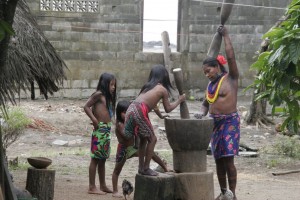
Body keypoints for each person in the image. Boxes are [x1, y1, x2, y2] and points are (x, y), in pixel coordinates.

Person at [195, 26, 240, 200]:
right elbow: (206, 104)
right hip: (214, 124)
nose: (207, 75)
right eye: (204, 72)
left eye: (209, 71)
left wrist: (226, 35)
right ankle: (223, 193)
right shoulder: (211, 85)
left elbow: (231, 56)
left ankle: (232, 195)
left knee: (228, 160)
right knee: (218, 160)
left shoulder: (231, 78)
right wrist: (201, 112)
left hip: (229, 122)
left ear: (217, 67)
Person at [123, 64, 186, 176]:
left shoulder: (147, 87)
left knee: (143, 139)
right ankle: (146, 168)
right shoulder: (162, 89)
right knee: (153, 139)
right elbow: (168, 109)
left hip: (131, 108)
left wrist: (160, 116)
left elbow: (153, 105)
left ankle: (141, 168)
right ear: (164, 77)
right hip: (140, 110)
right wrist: (179, 100)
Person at [112, 100, 171, 198]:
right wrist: (134, 126)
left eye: (128, 112)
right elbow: (127, 136)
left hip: (133, 148)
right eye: (124, 112)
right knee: (117, 170)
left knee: (151, 153)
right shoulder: (119, 124)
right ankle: (114, 191)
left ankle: (165, 168)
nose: (127, 115)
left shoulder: (130, 121)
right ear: (119, 113)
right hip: (123, 149)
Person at [83, 72, 116, 195]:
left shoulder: (107, 97)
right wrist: (94, 120)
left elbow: (110, 114)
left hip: (106, 130)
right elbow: (86, 106)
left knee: (103, 159)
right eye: (111, 85)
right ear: (104, 83)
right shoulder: (98, 94)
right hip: (99, 130)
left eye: (114, 85)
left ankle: (102, 185)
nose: (113, 87)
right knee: (95, 159)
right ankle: (92, 186)